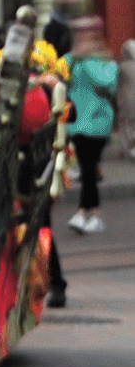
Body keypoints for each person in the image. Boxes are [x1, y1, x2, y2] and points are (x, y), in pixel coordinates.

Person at [67, 13, 118, 237]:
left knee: (87, 169)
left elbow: (107, 81)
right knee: (87, 170)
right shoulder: (75, 60)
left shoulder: (104, 61)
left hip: (97, 124)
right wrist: (74, 57)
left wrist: (84, 60)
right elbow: (60, 71)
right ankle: (89, 214)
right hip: (77, 123)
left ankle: (87, 214)